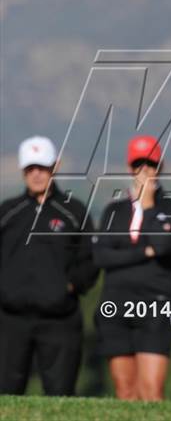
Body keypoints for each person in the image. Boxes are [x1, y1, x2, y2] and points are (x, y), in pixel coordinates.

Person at [0, 135, 98, 395]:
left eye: (42, 167)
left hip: (60, 320)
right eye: (30, 168)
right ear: (23, 171)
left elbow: (90, 258)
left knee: (61, 395)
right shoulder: (7, 212)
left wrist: (70, 286)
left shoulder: (73, 212)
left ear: (55, 166)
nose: (36, 174)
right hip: (10, 319)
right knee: (6, 395)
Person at [93, 135, 171, 401]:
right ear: (131, 168)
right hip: (116, 302)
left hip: (155, 303)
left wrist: (147, 206)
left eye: (150, 164)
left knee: (151, 391)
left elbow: (164, 245)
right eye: (139, 165)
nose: (145, 171)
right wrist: (144, 251)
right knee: (125, 391)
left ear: (160, 167)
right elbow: (101, 257)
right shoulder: (114, 211)